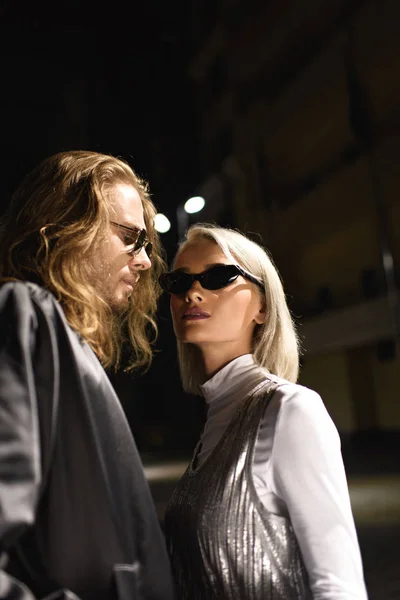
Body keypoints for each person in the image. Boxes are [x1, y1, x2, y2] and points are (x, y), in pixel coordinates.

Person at [159, 223, 368, 599]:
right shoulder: (215, 417)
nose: (193, 292)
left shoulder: (291, 409)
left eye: (218, 276)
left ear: (262, 306)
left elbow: (339, 586)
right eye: (179, 281)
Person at [0, 150, 174, 600]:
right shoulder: (26, 315)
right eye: (130, 238)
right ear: (67, 229)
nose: (145, 261)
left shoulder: (61, 337)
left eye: (147, 244)